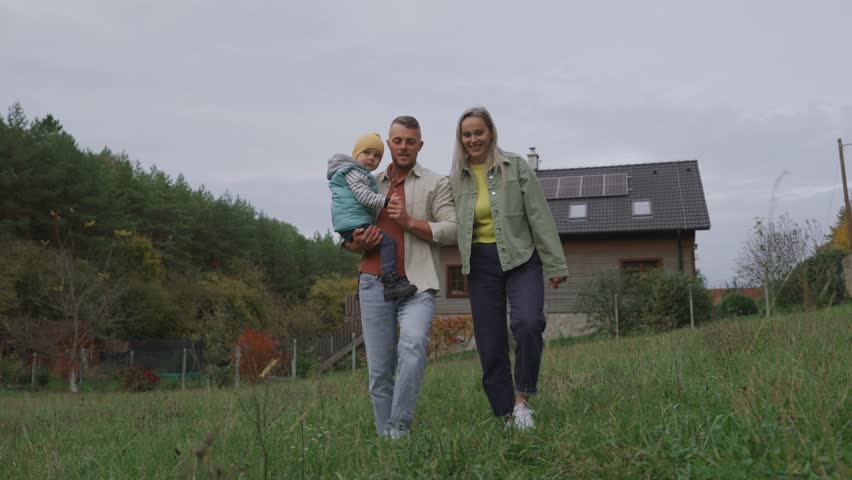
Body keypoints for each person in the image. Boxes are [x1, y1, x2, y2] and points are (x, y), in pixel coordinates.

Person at [449, 106, 568, 430]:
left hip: (521, 259)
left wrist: (555, 262)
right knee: (490, 344)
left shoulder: (514, 167)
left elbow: (539, 217)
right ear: (461, 139)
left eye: (479, 132)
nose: (473, 139)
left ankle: (522, 402)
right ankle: (505, 415)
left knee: (529, 324)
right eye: (467, 134)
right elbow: (447, 222)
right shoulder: (455, 178)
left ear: (491, 133)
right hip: (480, 266)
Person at [344, 116, 457, 438]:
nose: (403, 146)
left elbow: (451, 230)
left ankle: (399, 429)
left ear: (420, 145)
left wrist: (408, 221)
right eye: (397, 141)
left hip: (418, 285)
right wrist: (354, 243)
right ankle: (387, 440)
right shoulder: (366, 181)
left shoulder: (437, 183)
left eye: (410, 141)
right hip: (373, 283)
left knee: (412, 346)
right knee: (379, 371)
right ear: (388, 145)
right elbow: (346, 228)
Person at [327, 133, 417, 301]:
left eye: (377, 156)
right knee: (388, 242)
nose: (371, 158)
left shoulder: (353, 172)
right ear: (356, 154)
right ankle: (391, 283)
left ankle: (362, 286)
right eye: (367, 153)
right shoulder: (354, 172)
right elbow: (364, 197)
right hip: (353, 222)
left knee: (374, 247)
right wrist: (387, 201)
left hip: (349, 223)